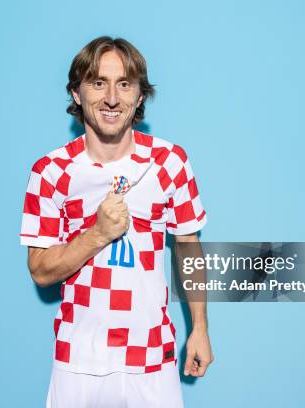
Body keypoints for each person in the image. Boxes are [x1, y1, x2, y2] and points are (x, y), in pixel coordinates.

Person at [20, 36, 213, 408]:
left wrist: (200, 329)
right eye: (97, 83)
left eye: (124, 84)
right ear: (76, 93)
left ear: (140, 96)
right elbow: (40, 271)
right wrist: (97, 234)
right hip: (78, 359)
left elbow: (189, 246)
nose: (112, 98)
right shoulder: (50, 171)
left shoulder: (170, 162)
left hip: (152, 357)